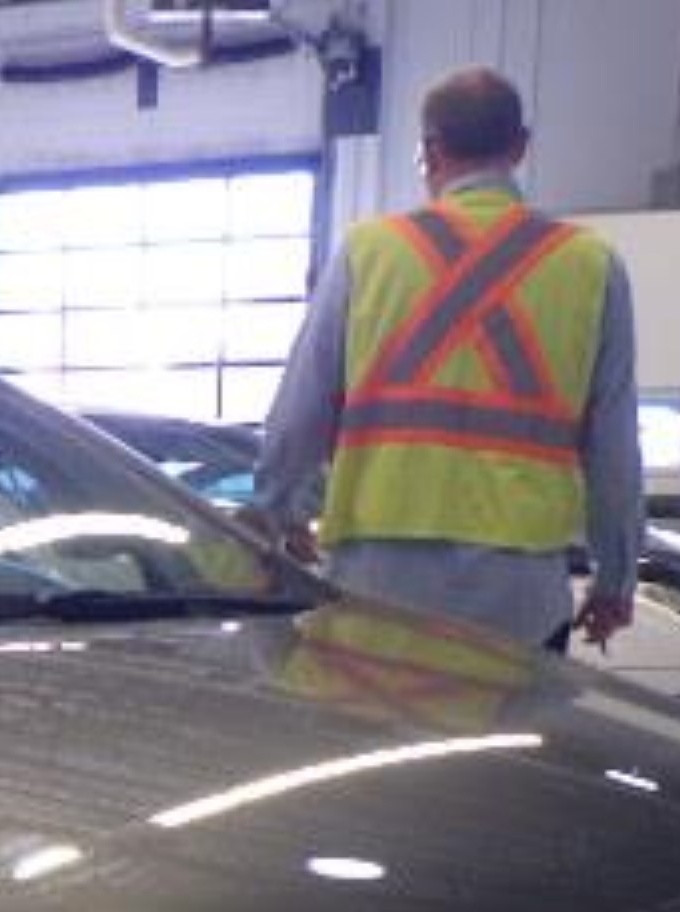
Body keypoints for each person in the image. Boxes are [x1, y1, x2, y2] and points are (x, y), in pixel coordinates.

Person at [247, 65, 641, 653]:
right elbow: (613, 447)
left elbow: (299, 416)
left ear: (429, 150)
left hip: (377, 586)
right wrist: (615, 578)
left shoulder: (368, 253)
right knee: (509, 750)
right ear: (521, 147)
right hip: (521, 596)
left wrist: (274, 514)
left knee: (385, 743)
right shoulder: (590, 265)